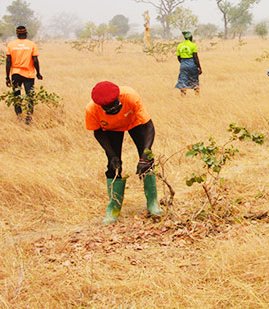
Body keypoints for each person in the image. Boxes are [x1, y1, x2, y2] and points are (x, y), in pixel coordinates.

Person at [85, 81, 162, 224]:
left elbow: (149, 126)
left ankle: (153, 204)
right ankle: (113, 209)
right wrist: (112, 155)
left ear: (119, 97)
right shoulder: (91, 110)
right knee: (113, 167)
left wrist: (145, 156)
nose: (114, 111)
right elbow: (98, 133)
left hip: (135, 124)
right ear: (101, 107)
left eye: (116, 107)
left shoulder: (131, 96)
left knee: (148, 162)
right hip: (110, 130)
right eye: (110, 110)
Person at [5, 25, 43, 124]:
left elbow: (8, 61)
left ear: (17, 34)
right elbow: (35, 60)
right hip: (28, 75)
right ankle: (29, 117)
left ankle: (19, 116)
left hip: (15, 74)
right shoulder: (31, 44)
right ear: (26, 33)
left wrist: (7, 77)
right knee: (29, 96)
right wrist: (38, 73)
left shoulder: (11, 45)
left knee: (16, 96)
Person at [175, 31, 202, 95]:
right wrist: (199, 67)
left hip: (183, 65)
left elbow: (178, 57)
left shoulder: (179, 46)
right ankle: (197, 96)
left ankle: (183, 97)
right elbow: (195, 57)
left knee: (183, 80)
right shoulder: (193, 45)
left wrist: (183, 63)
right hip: (192, 65)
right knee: (194, 80)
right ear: (191, 37)